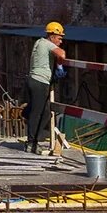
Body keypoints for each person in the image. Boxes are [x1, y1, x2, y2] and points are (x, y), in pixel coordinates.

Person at [27, 21, 67, 154]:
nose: (61, 41)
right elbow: (61, 54)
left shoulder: (40, 43)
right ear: (52, 36)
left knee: (45, 113)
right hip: (40, 82)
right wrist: (60, 66)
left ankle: (34, 141)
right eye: (59, 38)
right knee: (37, 113)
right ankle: (31, 143)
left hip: (36, 80)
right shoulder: (47, 43)